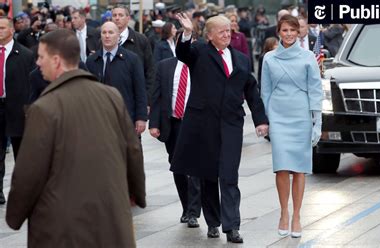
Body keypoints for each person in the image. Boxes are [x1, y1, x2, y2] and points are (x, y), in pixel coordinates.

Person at [6, 29, 146, 247]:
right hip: (111, 218)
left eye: (41, 57)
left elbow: (29, 171)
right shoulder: (111, 96)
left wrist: (14, 217)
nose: (38, 63)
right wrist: (137, 193)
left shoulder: (44, 108)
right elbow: (132, 151)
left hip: (62, 226)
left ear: (56, 60)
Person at [171, 14, 269, 243]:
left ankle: (232, 226)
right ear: (210, 35)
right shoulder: (199, 52)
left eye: (229, 31)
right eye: (222, 31)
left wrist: (261, 120)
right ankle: (213, 222)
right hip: (204, 126)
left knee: (229, 176)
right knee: (207, 177)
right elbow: (182, 54)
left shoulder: (242, 60)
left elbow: (252, 91)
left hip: (231, 126)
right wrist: (186, 33)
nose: (227, 34)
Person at [260, 14, 322, 238]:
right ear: (278, 32)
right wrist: (264, 121)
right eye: (284, 30)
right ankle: (283, 213)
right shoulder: (269, 58)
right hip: (278, 116)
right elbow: (264, 91)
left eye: (292, 30)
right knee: (281, 167)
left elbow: (316, 90)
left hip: (301, 116)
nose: (288, 34)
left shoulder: (308, 57)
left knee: (299, 168)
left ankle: (297, 215)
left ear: (299, 32)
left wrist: (317, 123)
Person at [149, 56, 205, 229]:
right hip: (172, 124)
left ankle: (194, 212)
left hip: (195, 122)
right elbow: (156, 96)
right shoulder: (164, 66)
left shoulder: (202, 66)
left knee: (194, 167)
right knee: (177, 166)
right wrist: (154, 124)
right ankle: (186, 207)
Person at [86, 21, 147, 135]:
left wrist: (141, 117)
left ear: (118, 35)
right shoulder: (91, 61)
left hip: (125, 117)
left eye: (111, 32)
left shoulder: (132, 59)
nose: (107, 36)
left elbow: (140, 90)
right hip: (99, 118)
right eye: (104, 32)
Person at [0, 17, 34, 204]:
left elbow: (31, 84)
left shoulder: (26, 55)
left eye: (2, 28)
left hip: (18, 109)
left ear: (12, 30)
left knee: (21, 153)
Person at [112, 5, 155, 104]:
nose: (117, 18)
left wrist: (147, 101)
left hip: (135, 99)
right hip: (110, 100)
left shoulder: (141, 40)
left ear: (128, 18)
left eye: (120, 15)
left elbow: (150, 71)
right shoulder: (104, 41)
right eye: (114, 15)